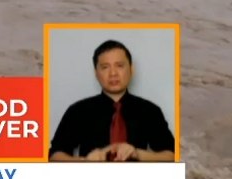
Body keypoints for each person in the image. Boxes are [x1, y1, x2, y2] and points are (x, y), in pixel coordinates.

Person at [48, 39, 176, 162]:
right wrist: (85, 161)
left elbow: (172, 155)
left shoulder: (150, 111)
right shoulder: (77, 111)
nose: (113, 73)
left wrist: (137, 153)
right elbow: (54, 156)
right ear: (96, 73)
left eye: (120, 66)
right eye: (105, 67)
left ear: (131, 69)